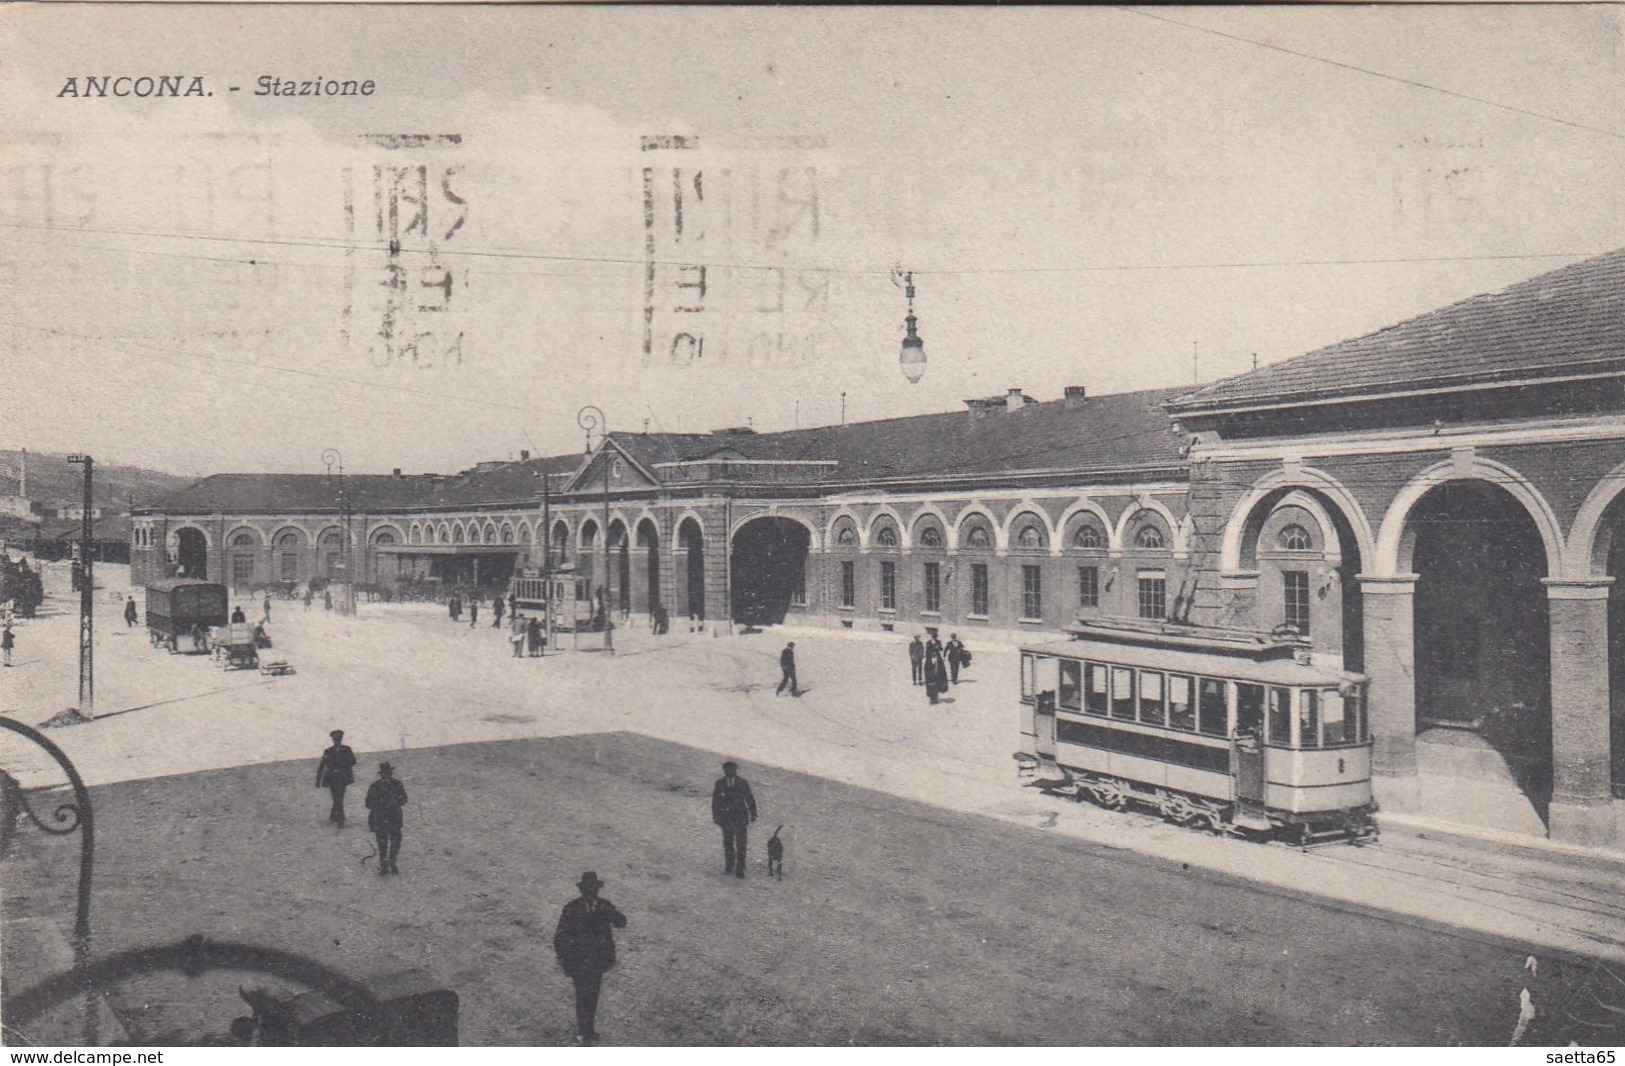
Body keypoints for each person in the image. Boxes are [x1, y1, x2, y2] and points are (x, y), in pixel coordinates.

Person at [552, 871, 627, 1045]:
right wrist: (567, 959)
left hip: (598, 960)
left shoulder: (604, 906)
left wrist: (612, 914)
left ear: (597, 890)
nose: (591, 893)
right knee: (582, 995)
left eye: (593, 890)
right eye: (588, 890)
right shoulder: (572, 908)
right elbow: (560, 936)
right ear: (582, 891)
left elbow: (621, 923)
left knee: (593, 995)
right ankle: (583, 1031)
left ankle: (589, 1030)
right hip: (579, 960)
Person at [711, 760, 757, 877]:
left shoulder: (743, 783)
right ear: (724, 770)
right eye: (727, 769)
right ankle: (729, 867)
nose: (730, 771)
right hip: (726, 818)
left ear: (736, 770)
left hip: (741, 817)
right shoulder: (719, 783)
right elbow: (715, 802)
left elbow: (749, 798)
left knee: (741, 844)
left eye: (732, 769)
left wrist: (753, 814)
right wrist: (716, 816)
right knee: (728, 843)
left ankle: (740, 868)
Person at [365, 761, 408, 875]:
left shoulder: (398, 784)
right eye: (384, 772)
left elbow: (404, 799)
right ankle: (384, 865)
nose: (387, 774)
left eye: (388, 772)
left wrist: (395, 801)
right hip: (380, 819)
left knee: (395, 841)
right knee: (382, 843)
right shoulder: (374, 786)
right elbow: (368, 803)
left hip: (394, 818)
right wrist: (379, 804)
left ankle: (392, 861)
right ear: (381, 774)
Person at [315, 729, 357, 827]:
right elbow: (322, 765)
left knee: (338, 798)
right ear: (333, 740)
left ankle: (336, 817)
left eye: (338, 739)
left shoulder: (347, 749)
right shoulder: (328, 751)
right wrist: (318, 779)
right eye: (336, 739)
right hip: (332, 778)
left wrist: (344, 766)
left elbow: (353, 761)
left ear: (341, 739)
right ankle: (339, 818)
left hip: (343, 778)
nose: (337, 741)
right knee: (337, 798)